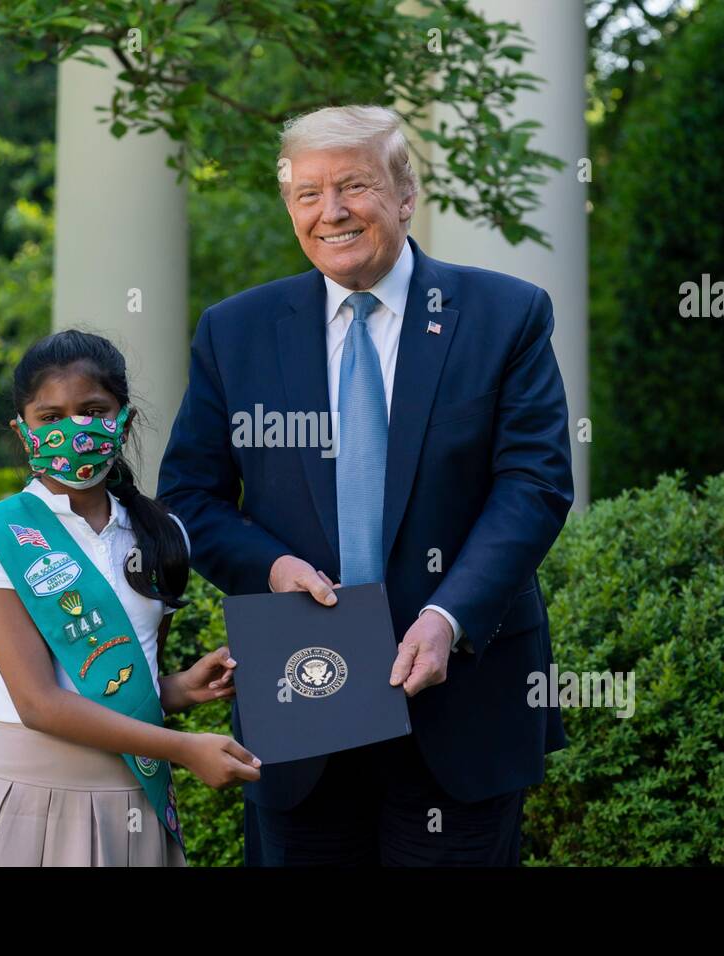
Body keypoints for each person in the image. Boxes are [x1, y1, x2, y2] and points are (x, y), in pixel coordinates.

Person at [157, 105, 574, 866]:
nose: (332, 212)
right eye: (308, 193)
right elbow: (191, 497)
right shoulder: (235, 331)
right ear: (289, 206)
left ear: (406, 191)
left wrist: (450, 616)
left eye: (353, 185)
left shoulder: (504, 315)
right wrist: (271, 568)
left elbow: (536, 484)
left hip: (462, 696)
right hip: (301, 699)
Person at [0, 329, 261, 867]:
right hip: (33, 795)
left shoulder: (161, 534)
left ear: (124, 420)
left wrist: (179, 689)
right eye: (52, 417)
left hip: (137, 790)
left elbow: (118, 682)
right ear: (24, 431)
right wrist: (185, 749)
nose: (75, 429)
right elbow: (40, 702)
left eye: (93, 410)